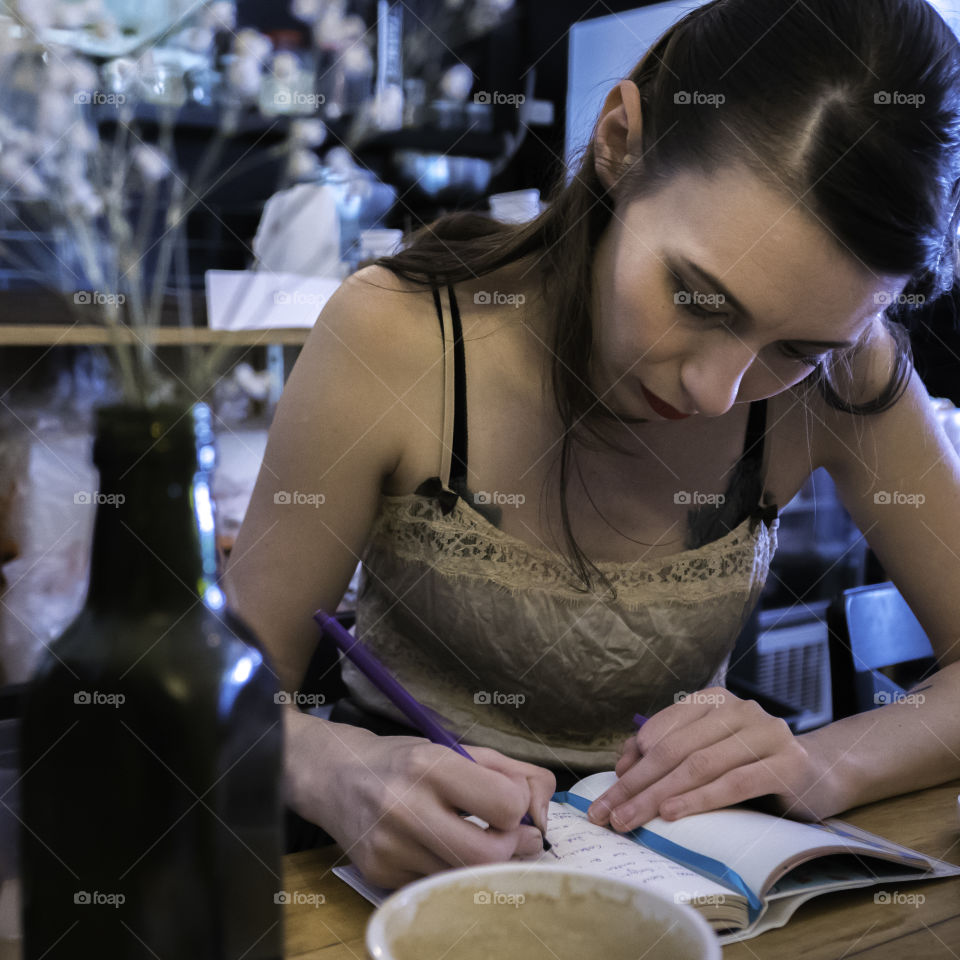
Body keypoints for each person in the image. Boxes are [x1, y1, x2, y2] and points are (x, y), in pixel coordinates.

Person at [225, 0, 960, 890]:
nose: (715, 390)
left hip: (686, 886)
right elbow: (213, 699)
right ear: (620, 139)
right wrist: (331, 767)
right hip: (386, 883)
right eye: (700, 298)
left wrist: (824, 764)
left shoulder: (848, 374)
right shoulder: (399, 335)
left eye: (796, 349)